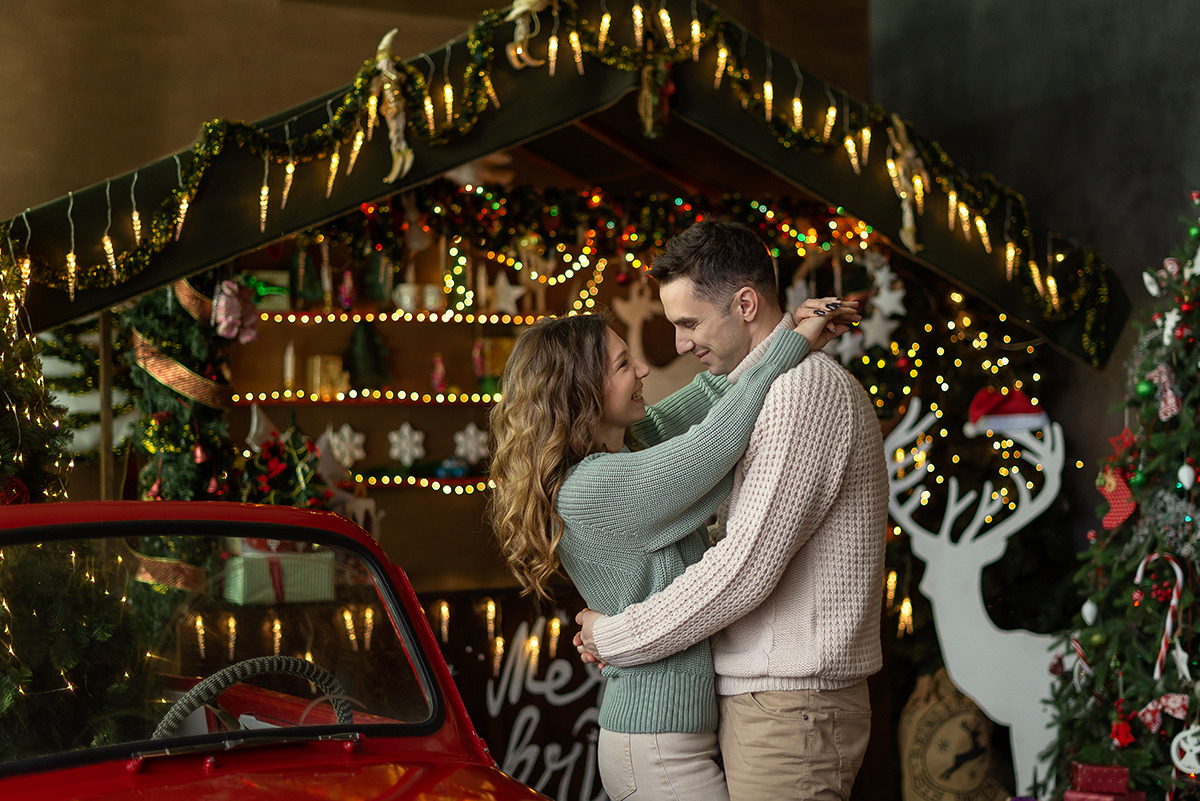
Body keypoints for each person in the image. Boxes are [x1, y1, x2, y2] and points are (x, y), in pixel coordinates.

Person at [489, 294, 858, 801]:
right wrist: (791, 343)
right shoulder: (591, 486)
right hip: (657, 748)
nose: (642, 367)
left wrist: (778, 330)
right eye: (623, 365)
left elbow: (710, 393)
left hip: (670, 738)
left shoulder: (627, 442)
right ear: (581, 394)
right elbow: (714, 442)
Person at [574, 219, 889, 801]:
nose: (676, 345)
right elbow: (682, 427)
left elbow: (744, 568)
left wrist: (615, 637)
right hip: (772, 698)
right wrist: (790, 335)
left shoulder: (804, 390)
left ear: (744, 304)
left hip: (794, 703)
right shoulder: (769, 386)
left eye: (689, 322)